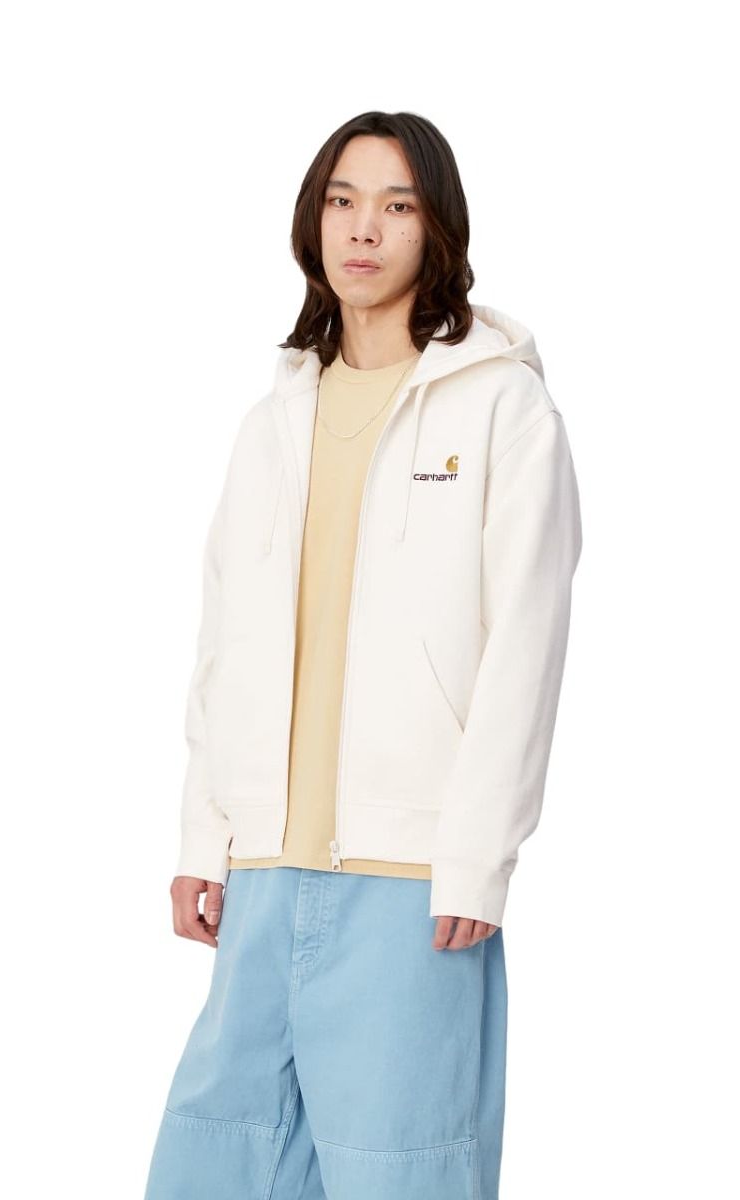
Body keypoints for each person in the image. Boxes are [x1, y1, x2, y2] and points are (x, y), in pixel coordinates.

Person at [143, 110, 582, 1199]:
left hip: (410, 876)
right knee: (216, 1165)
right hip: (262, 869)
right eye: (343, 201)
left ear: (438, 230)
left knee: (402, 1172)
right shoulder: (273, 421)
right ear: (314, 221)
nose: (364, 229)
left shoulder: (503, 407)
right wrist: (206, 835)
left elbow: (525, 648)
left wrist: (476, 856)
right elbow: (223, 643)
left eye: (397, 205)